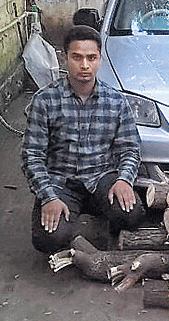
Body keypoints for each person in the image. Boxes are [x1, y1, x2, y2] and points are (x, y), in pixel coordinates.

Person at [21, 25, 143, 254]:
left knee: (132, 214)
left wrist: (124, 180)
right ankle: (65, 220)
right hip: (61, 182)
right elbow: (32, 156)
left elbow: (130, 148)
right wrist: (48, 196)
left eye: (91, 57)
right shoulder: (45, 101)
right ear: (65, 58)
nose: (84, 65)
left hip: (102, 178)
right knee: (48, 240)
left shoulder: (116, 101)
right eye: (77, 57)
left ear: (100, 60)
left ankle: (107, 224)